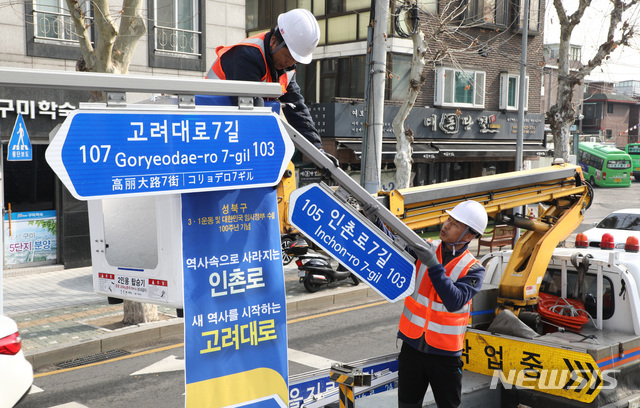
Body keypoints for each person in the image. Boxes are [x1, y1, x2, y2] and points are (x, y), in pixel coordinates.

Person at [365, 200, 488, 408]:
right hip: (412, 347)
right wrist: (375, 221)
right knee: (407, 404)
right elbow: (395, 245)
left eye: (455, 224)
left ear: (469, 235)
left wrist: (433, 264)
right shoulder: (427, 247)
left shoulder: (473, 269)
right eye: (449, 219)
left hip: (445, 356)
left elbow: (454, 301)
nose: (447, 225)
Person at [206, 8, 324, 152]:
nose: (289, 64)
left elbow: (297, 108)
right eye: (287, 58)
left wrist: (318, 150)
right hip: (212, 128)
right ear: (274, 41)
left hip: (233, 131)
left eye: (294, 61)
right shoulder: (248, 56)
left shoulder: (286, 69)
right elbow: (253, 110)